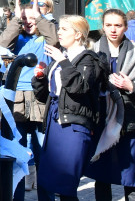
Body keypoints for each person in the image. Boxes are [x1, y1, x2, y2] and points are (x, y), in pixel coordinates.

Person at [32, 15, 108, 201]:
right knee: (46, 179)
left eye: (64, 29)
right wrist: (40, 78)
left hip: (74, 124)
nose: (59, 32)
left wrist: (63, 63)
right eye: (59, 28)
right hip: (54, 120)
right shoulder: (61, 57)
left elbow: (79, 88)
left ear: (78, 34)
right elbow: (44, 95)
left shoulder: (89, 59)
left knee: (66, 183)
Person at [84, 9, 135, 201]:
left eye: (118, 25)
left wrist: (130, 86)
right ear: (103, 26)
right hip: (100, 116)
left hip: (127, 117)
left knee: (130, 171)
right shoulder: (93, 52)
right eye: (109, 25)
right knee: (101, 171)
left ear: (125, 26)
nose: (113, 30)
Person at [0, 0, 57, 199]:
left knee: (44, 156)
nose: (28, 22)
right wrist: (16, 19)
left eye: (32, 19)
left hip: (41, 97)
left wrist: (38, 18)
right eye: (24, 19)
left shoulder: (46, 38)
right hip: (17, 99)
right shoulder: (17, 39)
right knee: (18, 154)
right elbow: (2, 43)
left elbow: (54, 39)